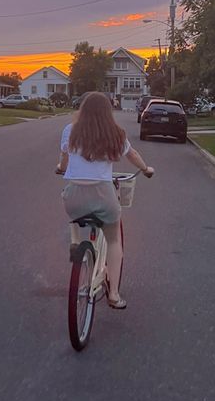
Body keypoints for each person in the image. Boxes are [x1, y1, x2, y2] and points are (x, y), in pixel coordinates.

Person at [56, 91, 153, 310]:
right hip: (102, 195)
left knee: (73, 213)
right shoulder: (116, 134)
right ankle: (115, 295)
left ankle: (74, 243)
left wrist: (61, 169)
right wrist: (145, 169)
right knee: (113, 239)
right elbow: (133, 155)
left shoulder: (70, 131)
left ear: (83, 109)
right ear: (109, 111)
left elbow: (63, 158)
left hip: (75, 197)